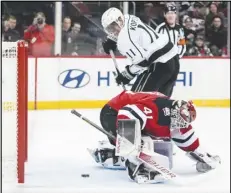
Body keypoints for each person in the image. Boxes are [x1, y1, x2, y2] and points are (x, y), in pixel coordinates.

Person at [88, 91, 221, 184]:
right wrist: (132, 150)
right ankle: (134, 167)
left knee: (142, 139)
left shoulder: (177, 116)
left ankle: (112, 153)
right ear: (173, 112)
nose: (182, 122)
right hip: (113, 112)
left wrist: (203, 157)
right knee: (138, 140)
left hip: (129, 114)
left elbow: (186, 138)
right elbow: (126, 114)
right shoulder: (156, 109)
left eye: (185, 120)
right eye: (181, 117)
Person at [101, 7, 178, 97]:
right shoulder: (128, 17)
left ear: (119, 20)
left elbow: (142, 62)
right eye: (109, 29)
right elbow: (130, 32)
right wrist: (112, 40)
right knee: (160, 103)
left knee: (136, 101)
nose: (112, 31)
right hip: (172, 58)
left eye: (113, 26)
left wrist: (126, 75)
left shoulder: (124, 41)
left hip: (159, 64)